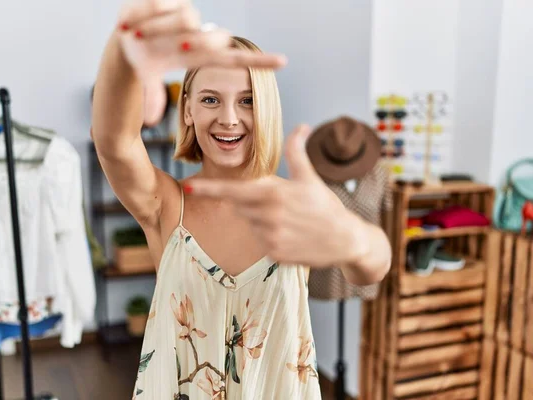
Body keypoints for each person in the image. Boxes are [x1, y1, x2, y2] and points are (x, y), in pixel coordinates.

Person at [91, 1, 392, 398]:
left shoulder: (298, 204)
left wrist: (355, 239)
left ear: (266, 107)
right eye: (210, 99)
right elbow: (115, 144)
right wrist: (122, 52)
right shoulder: (165, 204)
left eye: (247, 100)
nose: (229, 118)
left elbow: (372, 268)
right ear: (187, 110)